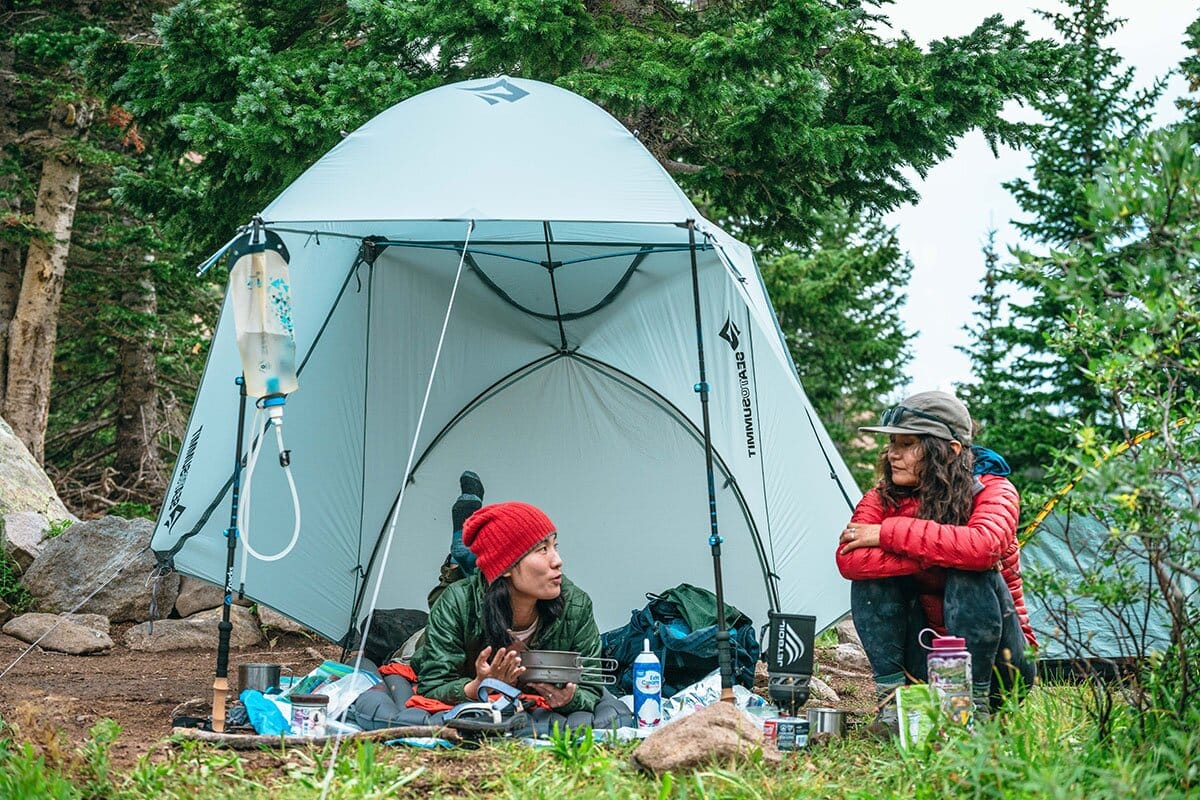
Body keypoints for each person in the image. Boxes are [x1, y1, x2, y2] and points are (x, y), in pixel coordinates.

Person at [835, 390, 1036, 736]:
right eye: (892, 443)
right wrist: (943, 553)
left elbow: (984, 547)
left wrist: (886, 534)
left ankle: (972, 713)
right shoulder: (882, 497)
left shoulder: (994, 491)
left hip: (1001, 666)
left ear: (950, 450)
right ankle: (893, 708)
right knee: (872, 578)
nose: (892, 454)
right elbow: (850, 559)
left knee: (972, 571)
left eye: (907, 444)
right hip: (925, 658)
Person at [412, 500, 605, 716]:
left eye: (555, 546)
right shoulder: (456, 602)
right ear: (506, 566)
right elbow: (433, 684)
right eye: (543, 549)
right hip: (421, 642)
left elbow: (591, 686)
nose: (558, 560)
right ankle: (456, 557)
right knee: (458, 568)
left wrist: (570, 698)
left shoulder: (577, 604)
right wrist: (479, 686)